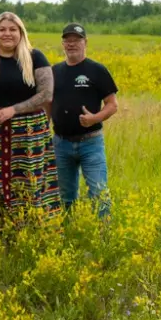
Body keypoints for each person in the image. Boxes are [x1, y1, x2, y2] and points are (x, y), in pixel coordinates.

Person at [0, 12, 60, 229]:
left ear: (20, 33)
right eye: (2, 30)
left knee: (28, 182)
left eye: (12, 29)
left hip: (29, 133)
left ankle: (28, 230)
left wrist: (13, 110)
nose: (7, 34)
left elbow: (46, 94)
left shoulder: (35, 57)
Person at [52, 23, 118, 218]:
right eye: (67, 40)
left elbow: (112, 105)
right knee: (65, 196)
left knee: (99, 193)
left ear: (85, 42)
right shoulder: (54, 71)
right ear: (63, 43)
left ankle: (102, 239)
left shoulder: (97, 70)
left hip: (91, 142)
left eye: (77, 40)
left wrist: (94, 118)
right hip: (61, 143)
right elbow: (47, 104)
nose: (72, 44)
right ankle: (66, 236)